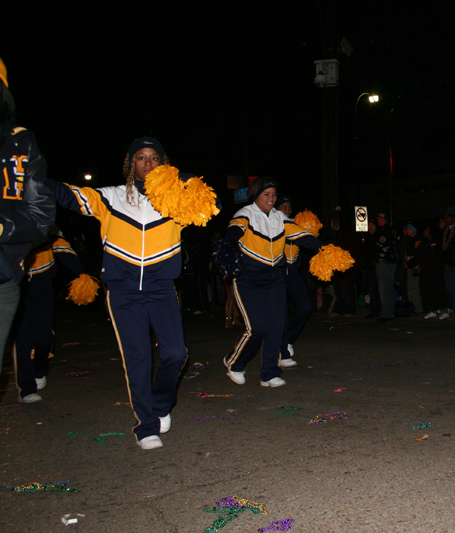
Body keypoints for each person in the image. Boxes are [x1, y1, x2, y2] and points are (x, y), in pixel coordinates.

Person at [46, 137, 198, 450]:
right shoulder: (112, 198)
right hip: (124, 291)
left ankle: (160, 404)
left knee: (176, 353)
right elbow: (67, 194)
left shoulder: (176, 203)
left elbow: (214, 206)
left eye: (155, 158)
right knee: (138, 358)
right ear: (131, 164)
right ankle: (146, 426)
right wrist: (29, 175)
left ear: (164, 163)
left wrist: (178, 178)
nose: (148, 163)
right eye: (141, 158)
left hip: (161, 289)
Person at [222, 178, 322, 387]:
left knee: (276, 326)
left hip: (274, 278)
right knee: (256, 328)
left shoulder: (280, 218)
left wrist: (324, 249)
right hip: (248, 278)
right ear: (256, 195)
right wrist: (229, 244)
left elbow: (302, 236)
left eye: (273, 194)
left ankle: (269, 373)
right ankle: (235, 362)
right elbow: (234, 232)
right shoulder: (245, 215)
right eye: (266, 194)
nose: (271, 198)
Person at [0, 57, 56, 375]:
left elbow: (41, 218)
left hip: (13, 271)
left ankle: (31, 379)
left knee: (39, 334)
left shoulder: (21, 141)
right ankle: (27, 383)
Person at [13, 231, 86, 402]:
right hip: (15, 281)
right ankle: (26, 389)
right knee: (22, 338)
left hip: (41, 283)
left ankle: (39, 370)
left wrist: (81, 272)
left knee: (45, 337)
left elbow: (61, 246)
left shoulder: (43, 214)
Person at [275, 195, 312, 367]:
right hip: (278, 272)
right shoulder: (274, 225)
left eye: (289, 207)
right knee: (281, 313)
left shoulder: (296, 226)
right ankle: (282, 353)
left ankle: (287, 338)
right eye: (283, 207)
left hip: (294, 272)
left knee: (305, 306)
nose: (287, 210)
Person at [372, 211, 397, 321]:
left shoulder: (386, 231)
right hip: (384, 261)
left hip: (385, 262)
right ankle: (388, 312)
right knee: (386, 288)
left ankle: (388, 313)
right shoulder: (383, 230)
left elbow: (381, 245)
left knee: (385, 288)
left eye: (379, 217)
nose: (377, 219)